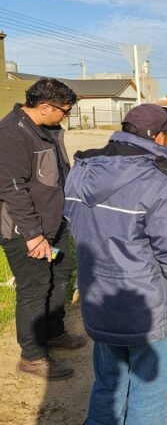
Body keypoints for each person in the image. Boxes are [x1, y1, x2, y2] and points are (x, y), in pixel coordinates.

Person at [64, 103, 167, 424]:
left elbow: (73, 225)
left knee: (109, 383)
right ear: (158, 137)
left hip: (99, 301)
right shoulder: (158, 180)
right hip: (147, 310)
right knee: (151, 389)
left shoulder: (81, 171)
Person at [0, 77, 86, 380]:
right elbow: (11, 189)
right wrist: (34, 235)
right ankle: (32, 356)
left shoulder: (46, 129)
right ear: (45, 106)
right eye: (64, 111)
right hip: (25, 231)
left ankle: (53, 332)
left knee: (60, 274)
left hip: (54, 224)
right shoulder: (12, 133)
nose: (67, 116)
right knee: (34, 287)